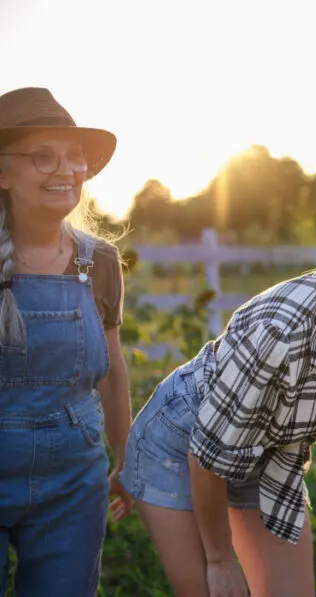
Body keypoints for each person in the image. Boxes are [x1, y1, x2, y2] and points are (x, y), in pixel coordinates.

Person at [119, 171, 316, 597]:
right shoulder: (283, 330)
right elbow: (207, 454)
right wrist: (219, 560)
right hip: (182, 447)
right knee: (214, 590)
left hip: (267, 454)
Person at [0, 87, 133, 596]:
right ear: (3, 174)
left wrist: (124, 458)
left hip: (72, 483)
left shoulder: (96, 261)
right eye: (42, 156)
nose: (66, 169)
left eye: (75, 156)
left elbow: (113, 369)